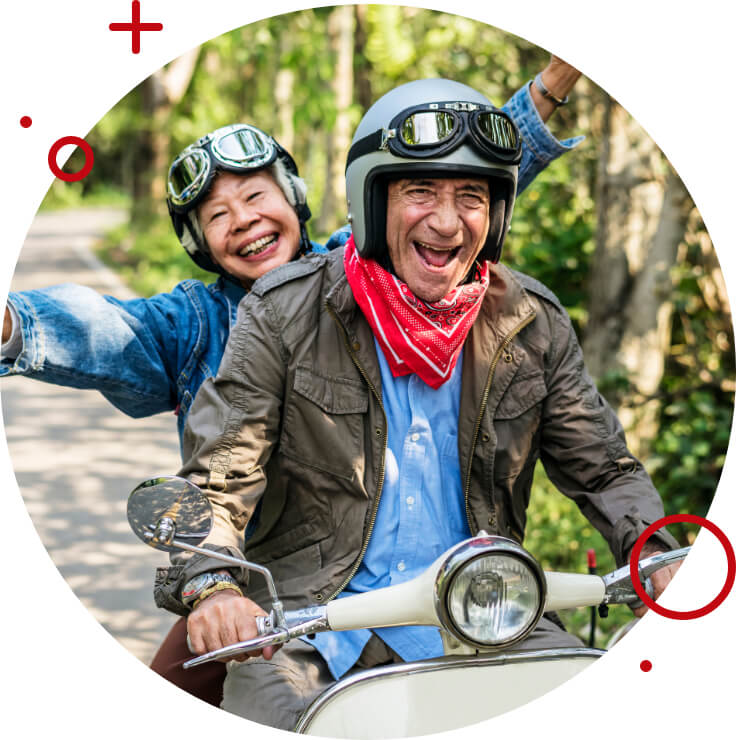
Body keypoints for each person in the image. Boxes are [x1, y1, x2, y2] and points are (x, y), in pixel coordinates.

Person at [0, 61, 585, 707]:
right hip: (249, 587)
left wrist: (550, 87)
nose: (243, 220)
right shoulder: (191, 323)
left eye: (256, 197)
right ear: (200, 242)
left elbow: (454, 182)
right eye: (217, 214)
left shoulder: (363, 270)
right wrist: (13, 321)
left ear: (294, 201)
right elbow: (99, 327)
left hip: (419, 580)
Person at [156, 77, 680, 731]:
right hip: (312, 628)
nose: (446, 220)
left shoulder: (530, 320)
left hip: (489, 612)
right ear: (372, 202)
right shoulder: (282, 311)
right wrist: (214, 585)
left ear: (496, 215)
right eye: (420, 191)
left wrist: (659, 556)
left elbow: (602, 468)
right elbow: (219, 474)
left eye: (471, 196)